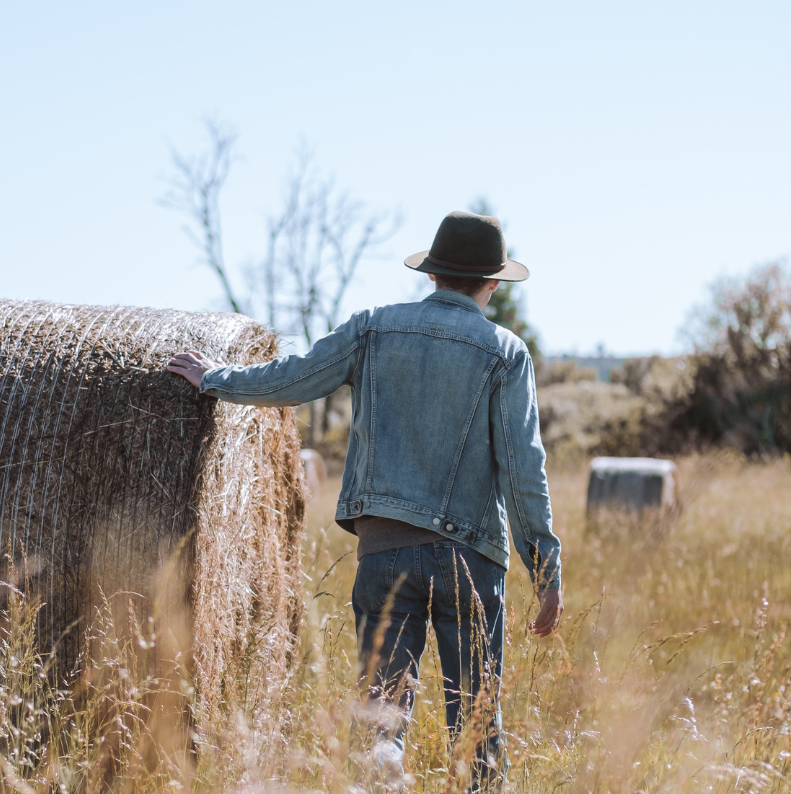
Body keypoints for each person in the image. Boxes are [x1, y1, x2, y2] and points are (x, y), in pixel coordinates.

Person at [167, 211, 563, 789]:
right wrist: (545, 571)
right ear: (494, 284)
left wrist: (216, 378)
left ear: (431, 274)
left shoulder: (372, 328)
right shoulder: (505, 352)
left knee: (380, 725)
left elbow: (294, 379)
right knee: (477, 731)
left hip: (386, 555)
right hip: (471, 562)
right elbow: (523, 469)